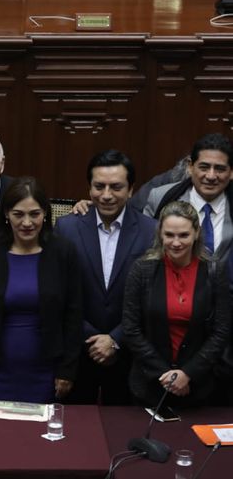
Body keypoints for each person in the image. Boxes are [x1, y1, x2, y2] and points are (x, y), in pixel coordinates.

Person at [0, 177, 82, 404]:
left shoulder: (63, 252)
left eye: (34, 214)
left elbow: (73, 315)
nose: (27, 222)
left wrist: (67, 370)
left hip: (47, 368)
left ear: (45, 213)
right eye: (18, 214)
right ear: (6, 214)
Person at [56, 150, 156, 405]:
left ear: (131, 189)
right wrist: (91, 337)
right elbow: (59, 292)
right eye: (99, 186)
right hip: (78, 350)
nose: (107, 194)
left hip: (130, 353)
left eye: (116, 187)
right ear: (89, 189)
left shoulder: (151, 231)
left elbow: (152, 294)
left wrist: (116, 339)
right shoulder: (67, 227)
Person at [123, 200, 231, 408]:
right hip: (149, 383)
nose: (176, 242)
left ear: (197, 233)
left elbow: (221, 331)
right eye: (169, 235)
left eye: (184, 235)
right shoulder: (142, 269)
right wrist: (166, 375)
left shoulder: (214, 271)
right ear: (160, 234)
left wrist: (188, 374)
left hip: (198, 386)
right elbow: (131, 328)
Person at [145, 133, 233, 263]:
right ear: (190, 167)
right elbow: (146, 246)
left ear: (231, 172)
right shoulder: (160, 197)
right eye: (204, 167)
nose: (211, 176)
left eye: (219, 169)